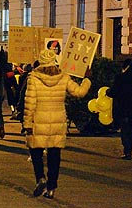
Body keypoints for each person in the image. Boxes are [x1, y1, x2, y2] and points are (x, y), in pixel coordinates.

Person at [24, 49, 91, 199]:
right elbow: (79, 92)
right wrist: (87, 79)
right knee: (55, 155)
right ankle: (52, 187)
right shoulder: (63, 77)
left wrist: (27, 124)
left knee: (35, 152)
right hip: (57, 121)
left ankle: (40, 178)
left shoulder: (33, 78)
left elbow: (30, 103)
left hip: (39, 120)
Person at [106, 58, 132, 160]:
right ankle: (129, 149)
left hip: (121, 107)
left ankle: (126, 150)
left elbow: (113, 92)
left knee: (124, 129)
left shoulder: (120, 78)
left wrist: (107, 92)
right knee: (130, 128)